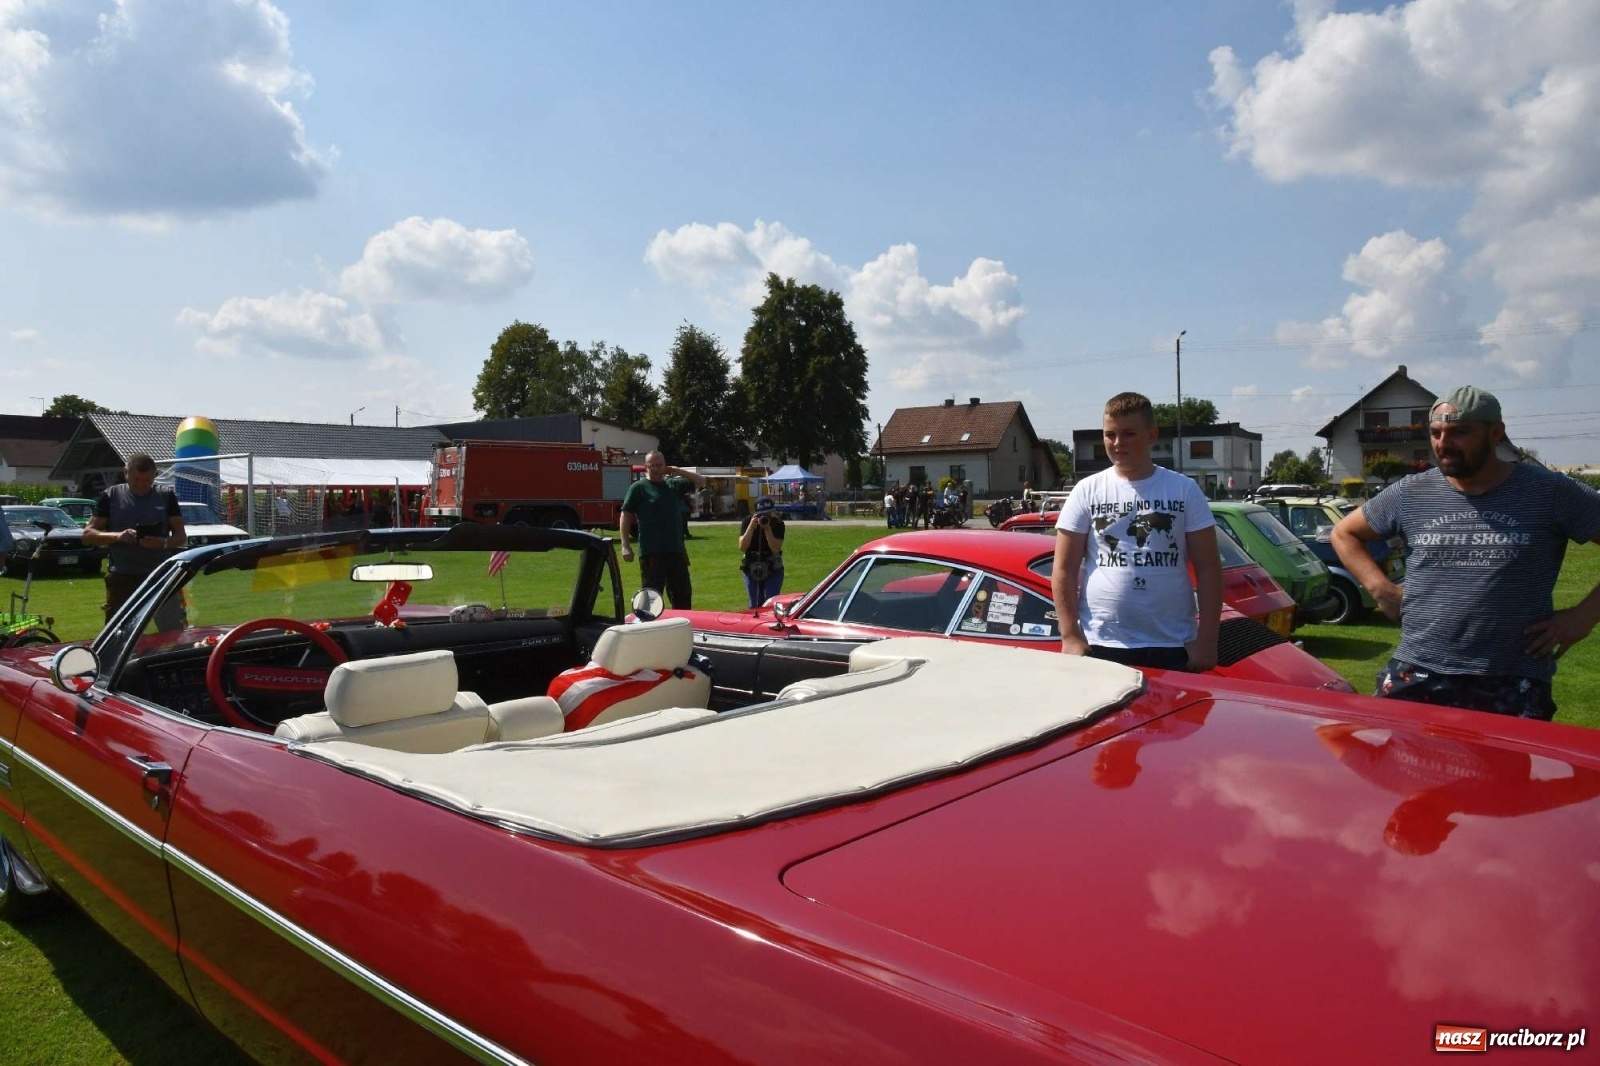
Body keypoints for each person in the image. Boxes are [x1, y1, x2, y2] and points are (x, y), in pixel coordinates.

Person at [1331, 385, 1600, 720]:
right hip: (1418, 668)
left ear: (1496, 432)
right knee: (1393, 767)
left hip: (1509, 677)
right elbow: (1345, 533)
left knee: (1500, 773)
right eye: (1436, 433)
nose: (1443, 445)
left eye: (1460, 433)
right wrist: (1380, 588)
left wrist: (1583, 617)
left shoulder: (1549, 492)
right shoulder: (1411, 493)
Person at [1051, 391, 1222, 672]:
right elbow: (1064, 569)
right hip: (1102, 644)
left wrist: (1207, 641)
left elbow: (1209, 569)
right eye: (1110, 435)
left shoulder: (1184, 489)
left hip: (1172, 645)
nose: (1118, 443)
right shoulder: (1087, 491)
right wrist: (1070, 635)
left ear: (1151, 434)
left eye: (1129, 434)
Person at [83, 453, 187, 627]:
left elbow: (181, 536)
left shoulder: (166, 496)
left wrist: (164, 543)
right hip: (123, 577)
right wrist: (119, 536)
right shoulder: (111, 495)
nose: (141, 485)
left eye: (147, 480)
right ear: (126, 473)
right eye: (136, 479)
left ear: (155, 475)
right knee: (118, 632)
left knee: (173, 631)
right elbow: (87, 536)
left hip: (160, 575)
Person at [619, 451, 707, 608]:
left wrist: (678, 471)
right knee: (651, 600)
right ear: (646, 467)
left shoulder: (673, 485)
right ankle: (650, 630)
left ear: (665, 466)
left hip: (676, 551)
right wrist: (625, 545)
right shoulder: (639, 488)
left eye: (659, 465)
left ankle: (680, 630)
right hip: (651, 553)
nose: (655, 469)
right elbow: (625, 515)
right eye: (651, 465)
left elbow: (701, 481)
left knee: (683, 597)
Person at [737, 495, 787, 608]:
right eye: (761, 515)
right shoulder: (747, 522)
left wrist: (767, 529)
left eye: (769, 514)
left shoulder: (778, 523)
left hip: (772, 566)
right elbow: (742, 547)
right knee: (754, 604)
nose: (765, 518)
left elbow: (775, 549)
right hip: (751, 566)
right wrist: (750, 527)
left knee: (771, 603)